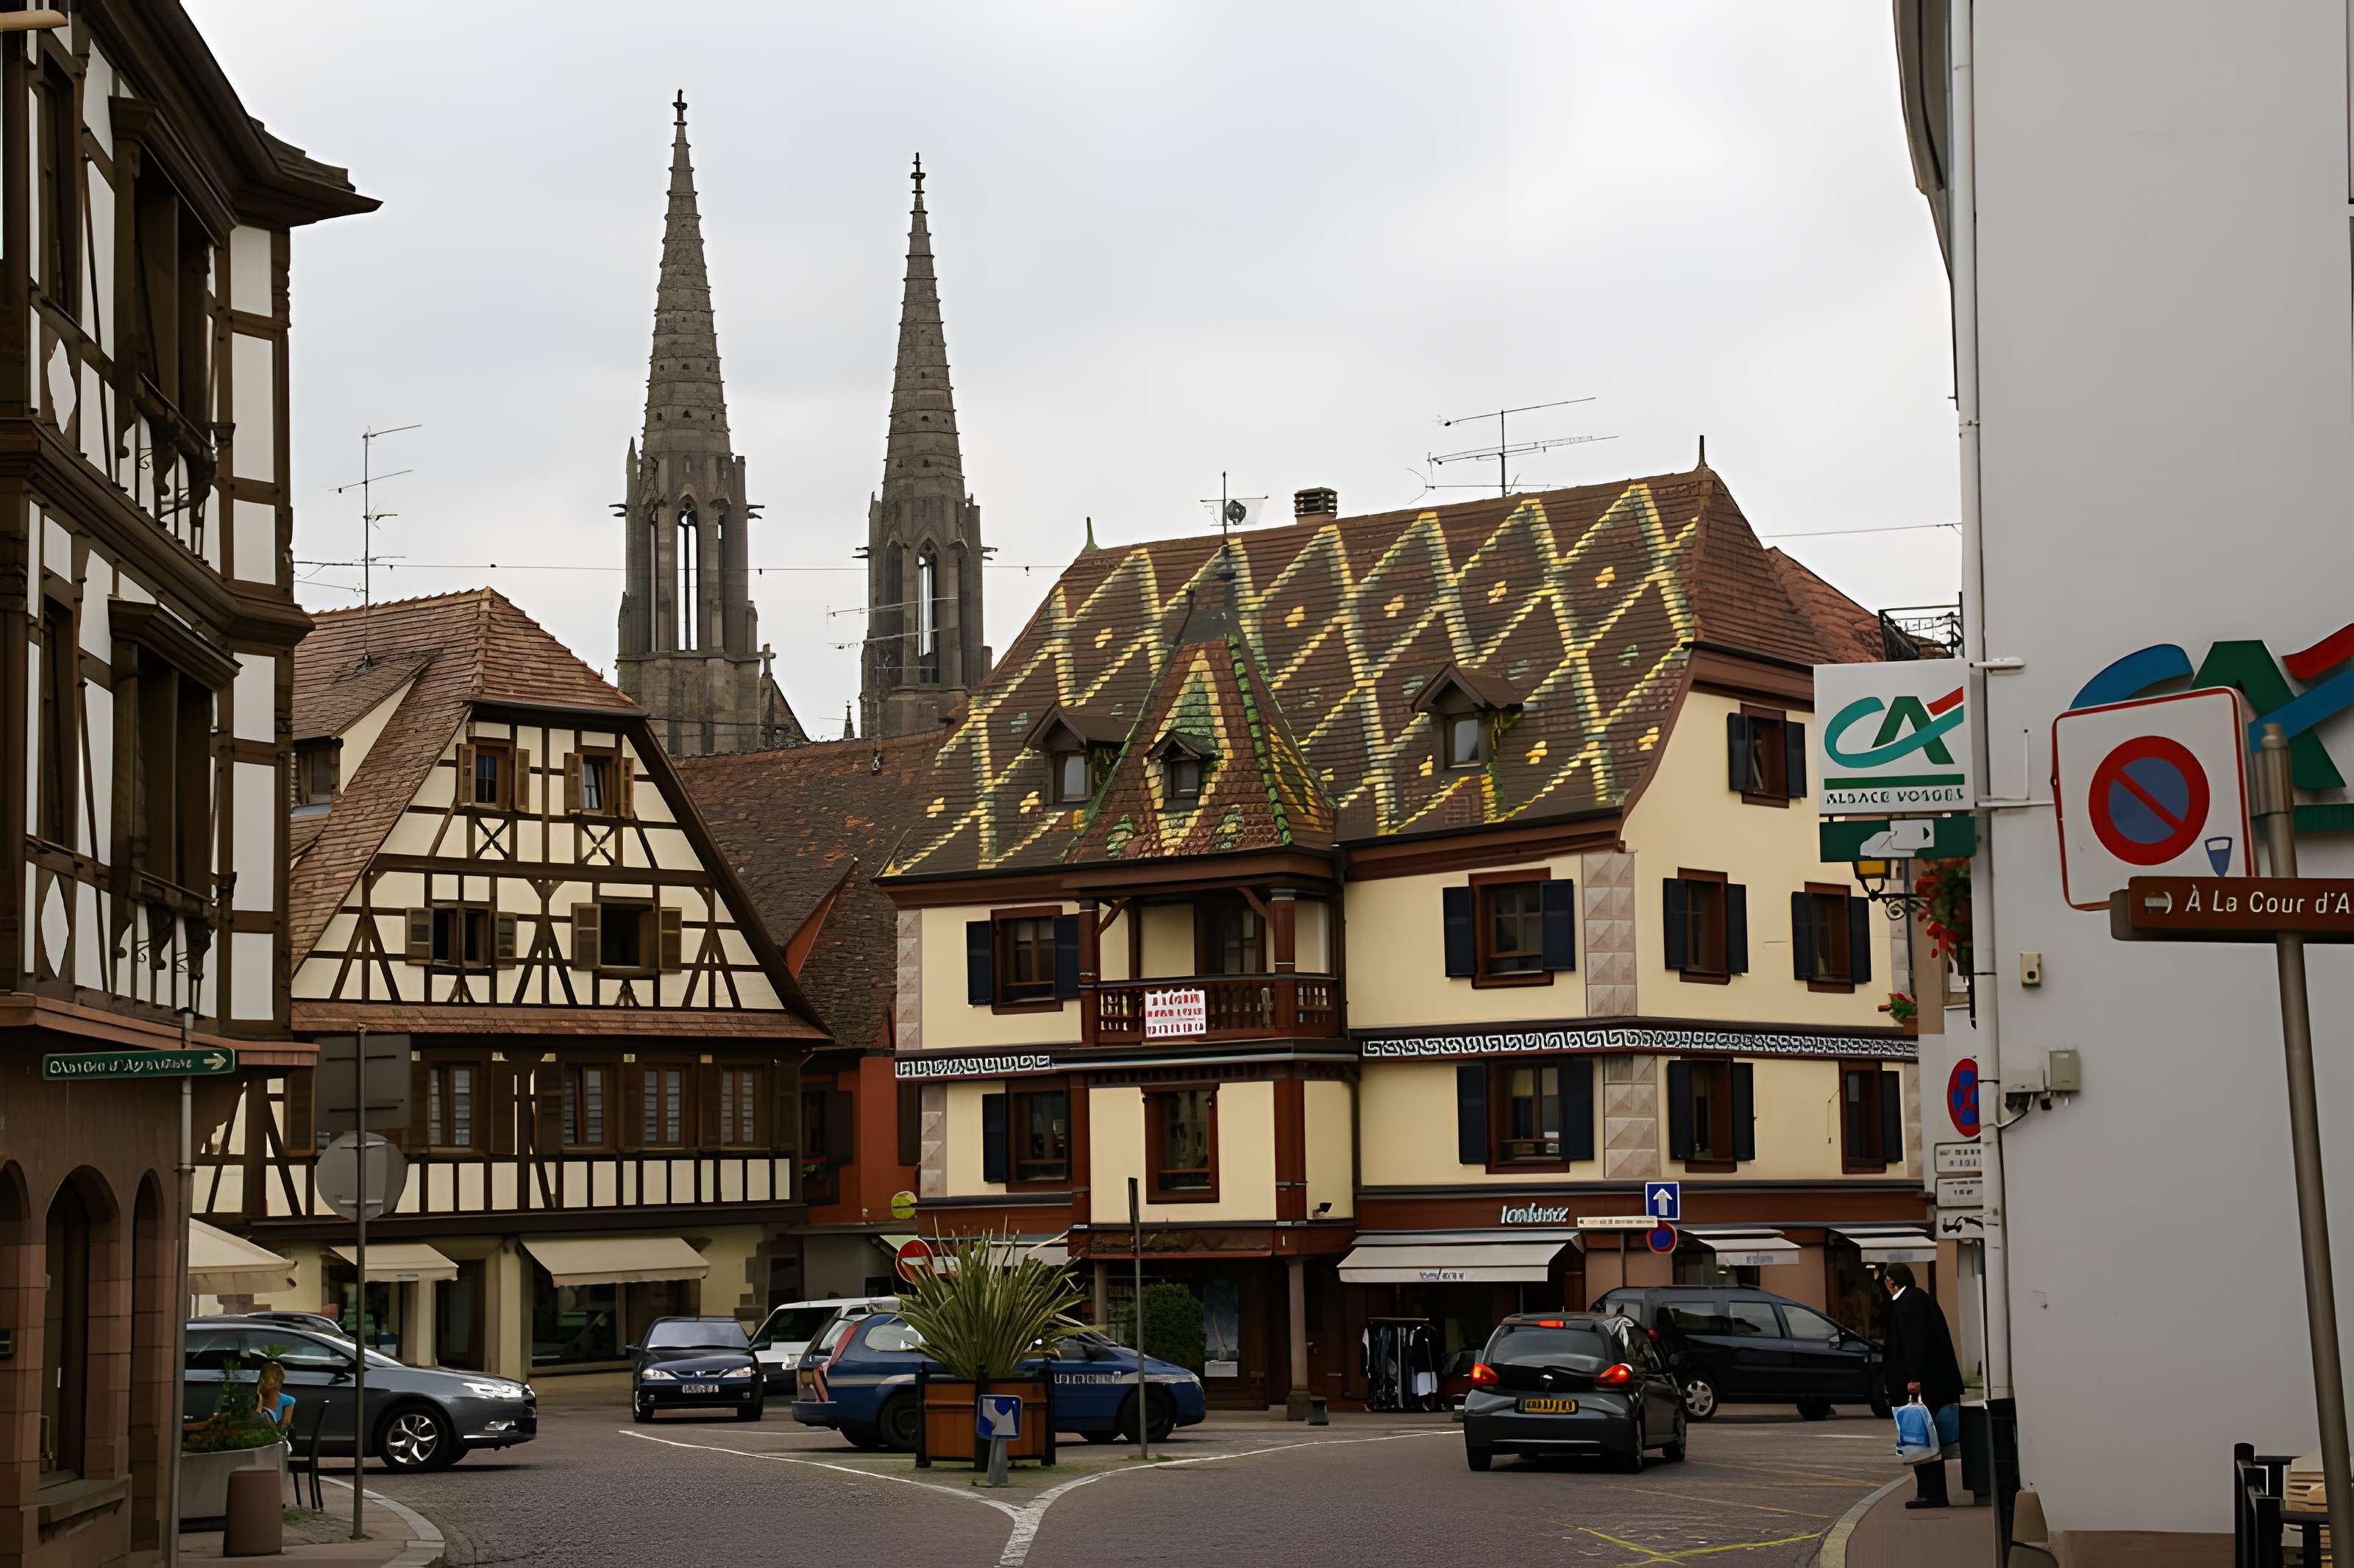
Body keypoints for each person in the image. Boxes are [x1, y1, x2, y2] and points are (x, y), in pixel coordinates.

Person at [1880, 1263, 1963, 1510]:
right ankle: (1931, 1492)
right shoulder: (1921, 1299)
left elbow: (1913, 1343)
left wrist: (1913, 1379)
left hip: (1922, 1386)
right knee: (1929, 1438)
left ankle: (1930, 1493)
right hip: (1936, 1383)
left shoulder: (1907, 1303)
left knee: (1921, 1438)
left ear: (1891, 1282)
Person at [255, 1361, 297, 1433]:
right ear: (262, 1382)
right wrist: (260, 1401)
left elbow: (284, 1430)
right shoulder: (256, 1399)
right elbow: (254, 1423)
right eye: (270, 1386)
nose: (274, 1390)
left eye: (277, 1386)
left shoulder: (287, 1402)